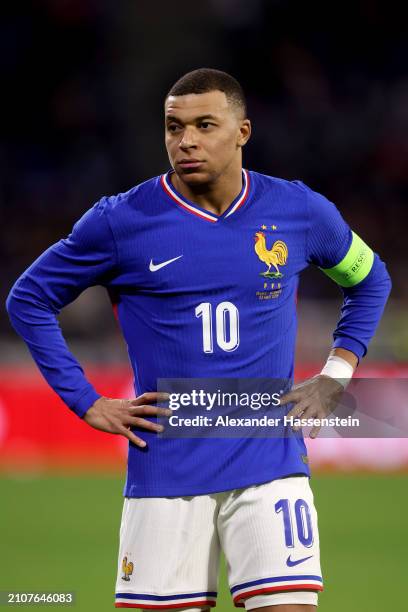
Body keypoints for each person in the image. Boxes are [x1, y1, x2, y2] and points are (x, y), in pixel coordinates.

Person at [6, 68, 391, 612]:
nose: (185, 140)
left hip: (270, 464)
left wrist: (337, 375)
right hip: (166, 472)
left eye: (204, 125)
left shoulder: (298, 212)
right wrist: (86, 401)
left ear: (243, 132)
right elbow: (28, 299)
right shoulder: (122, 221)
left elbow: (371, 279)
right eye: (173, 127)